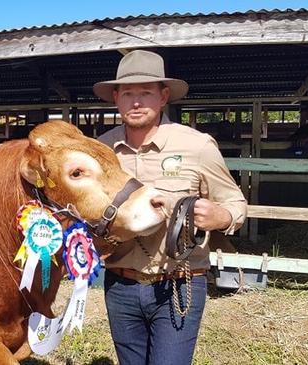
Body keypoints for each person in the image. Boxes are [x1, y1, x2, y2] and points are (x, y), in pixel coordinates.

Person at [93, 50, 247, 365]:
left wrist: (222, 216)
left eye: (146, 93)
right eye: (128, 93)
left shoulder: (196, 146)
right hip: (120, 285)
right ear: (115, 98)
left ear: (163, 97)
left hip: (178, 283)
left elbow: (235, 202)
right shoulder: (101, 151)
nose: (136, 102)